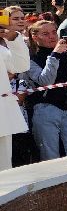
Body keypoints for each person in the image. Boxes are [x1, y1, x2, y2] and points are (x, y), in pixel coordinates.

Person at [26, 21, 67, 160]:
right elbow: (45, 81)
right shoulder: (31, 58)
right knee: (49, 156)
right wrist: (54, 55)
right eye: (45, 34)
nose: (52, 36)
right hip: (46, 108)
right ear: (34, 36)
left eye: (54, 32)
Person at [0, 15, 34, 167]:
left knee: (4, 169)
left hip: (2, 116)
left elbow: (21, 66)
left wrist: (12, 38)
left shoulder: (1, 50)